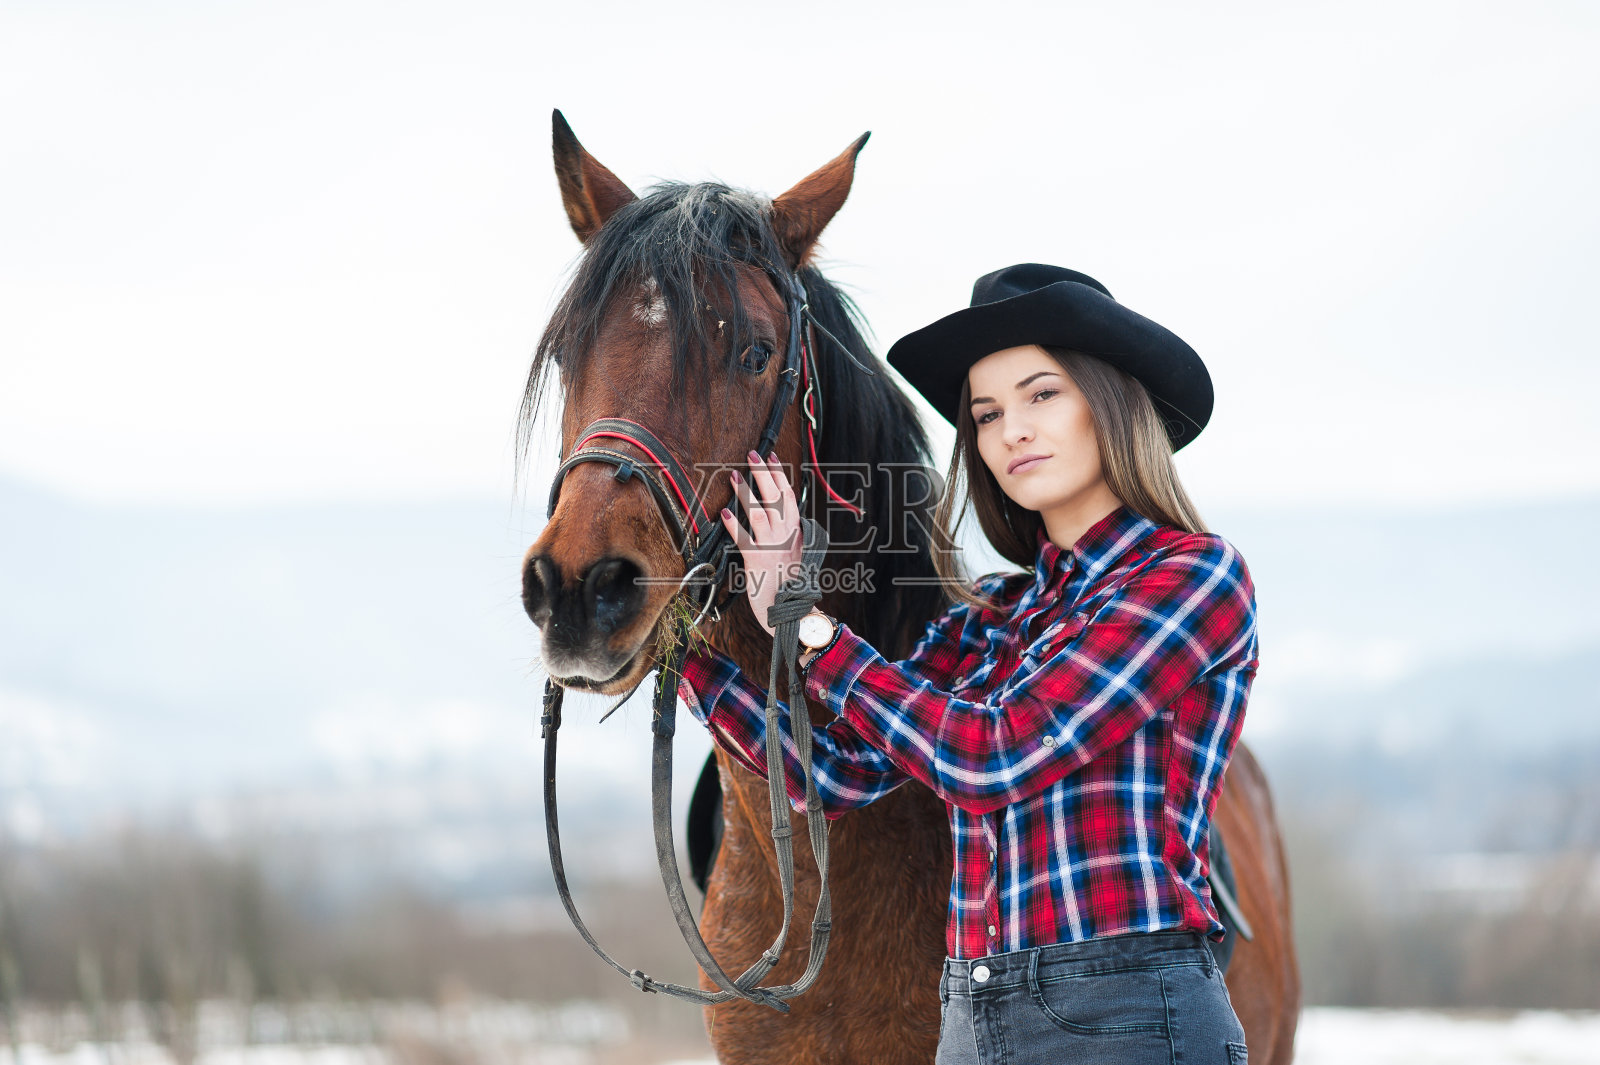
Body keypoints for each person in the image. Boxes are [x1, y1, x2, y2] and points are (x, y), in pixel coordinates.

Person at [676, 263, 1258, 1065]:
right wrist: (682, 648)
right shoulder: (991, 615)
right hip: (972, 1015)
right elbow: (831, 774)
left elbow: (999, 754)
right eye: (986, 414)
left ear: (1112, 403)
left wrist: (805, 622)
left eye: (1040, 394)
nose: (1011, 430)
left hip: (1131, 1008)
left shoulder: (1192, 577)